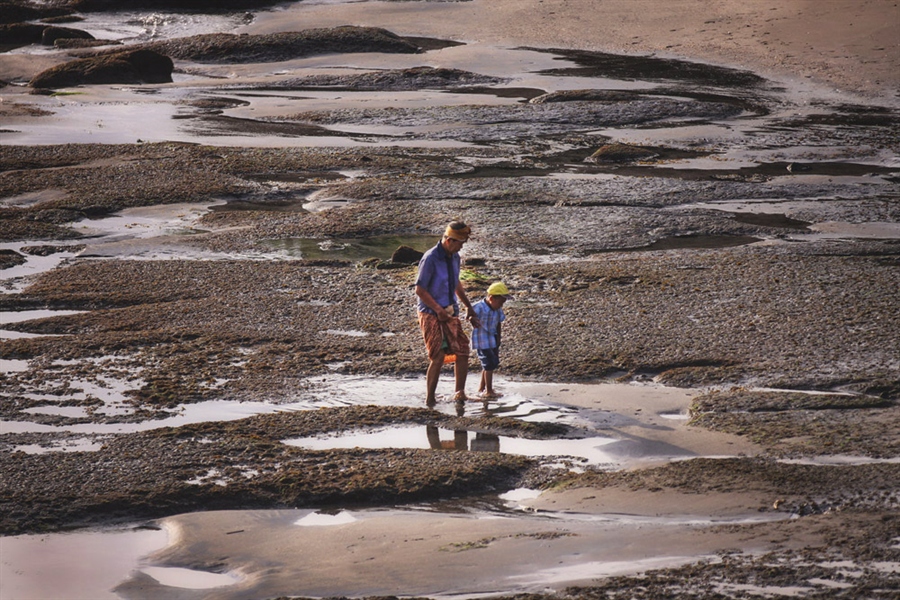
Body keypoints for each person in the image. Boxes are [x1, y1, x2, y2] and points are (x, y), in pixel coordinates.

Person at [415, 221, 481, 406]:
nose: (461, 247)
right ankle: (430, 399)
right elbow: (420, 290)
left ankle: (460, 393)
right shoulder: (430, 258)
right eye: (460, 243)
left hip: (450, 310)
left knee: (462, 350)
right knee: (438, 355)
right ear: (449, 240)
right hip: (430, 312)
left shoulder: (455, 257)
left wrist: (468, 307)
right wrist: (438, 310)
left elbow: (456, 283)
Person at [471, 281, 511, 399]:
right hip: (482, 340)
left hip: (492, 339)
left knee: (491, 363)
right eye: (500, 302)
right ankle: (488, 390)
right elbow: (469, 315)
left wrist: (498, 337)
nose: (501, 305)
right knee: (488, 364)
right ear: (492, 298)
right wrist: (472, 319)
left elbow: (498, 322)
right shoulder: (479, 307)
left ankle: (482, 388)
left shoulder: (497, 309)